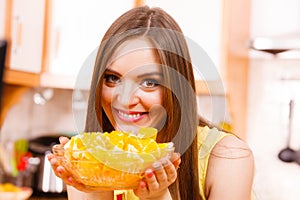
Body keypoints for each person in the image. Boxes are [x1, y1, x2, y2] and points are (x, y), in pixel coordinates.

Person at [48, 5, 254, 200]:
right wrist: (97, 187)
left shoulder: (229, 159)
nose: (125, 99)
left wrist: (158, 196)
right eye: (112, 78)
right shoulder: (86, 161)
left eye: (149, 82)